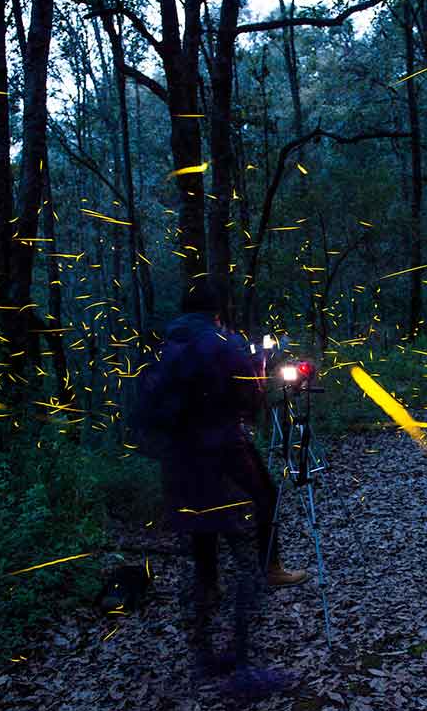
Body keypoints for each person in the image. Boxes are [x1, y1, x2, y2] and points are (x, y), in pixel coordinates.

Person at [156, 281, 306, 696]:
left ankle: (207, 588)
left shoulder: (169, 342)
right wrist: (259, 369)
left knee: (201, 519)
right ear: (216, 311)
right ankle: (269, 569)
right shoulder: (222, 342)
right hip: (221, 443)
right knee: (265, 497)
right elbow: (251, 399)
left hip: (178, 452)